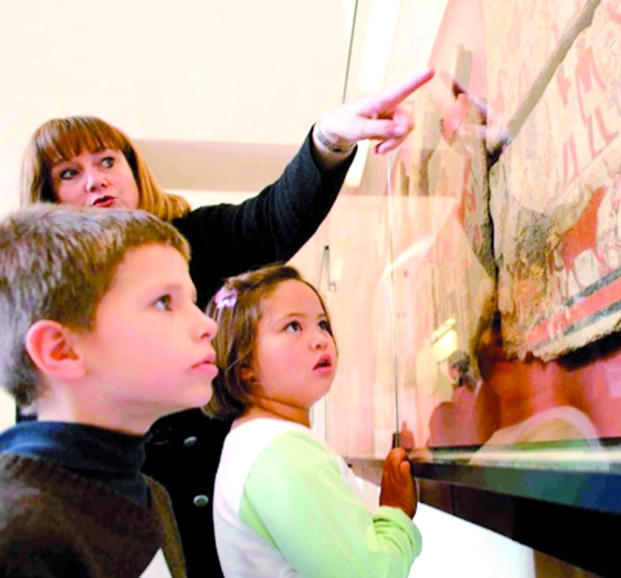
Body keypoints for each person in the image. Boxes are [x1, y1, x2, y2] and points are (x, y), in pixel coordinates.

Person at [18, 68, 434, 577]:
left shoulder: (195, 239)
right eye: (69, 173)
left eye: (107, 161)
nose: (95, 180)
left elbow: (271, 220)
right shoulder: (40, 514)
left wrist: (329, 138)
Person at [0, 205, 219, 576]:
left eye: (193, 301)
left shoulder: (151, 495)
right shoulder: (16, 532)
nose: (207, 326)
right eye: (164, 302)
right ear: (61, 350)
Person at [205, 264, 421, 578]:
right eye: (293, 326)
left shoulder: (252, 442)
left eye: (322, 324)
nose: (320, 339)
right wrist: (396, 511)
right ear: (244, 365)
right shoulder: (279, 450)